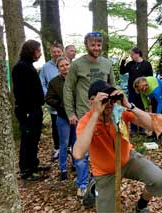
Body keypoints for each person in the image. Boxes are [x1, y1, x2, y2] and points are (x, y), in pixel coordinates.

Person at [73, 80, 162, 213]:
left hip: (128, 159)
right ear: (92, 101)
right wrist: (96, 113)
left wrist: (129, 105)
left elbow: (152, 126)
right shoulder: (86, 121)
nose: (110, 104)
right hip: (105, 172)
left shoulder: (119, 112)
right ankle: (94, 188)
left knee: (158, 179)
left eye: (112, 99)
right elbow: (78, 153)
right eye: (104, 100)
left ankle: (141, 205)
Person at [63, 32, 115, 199]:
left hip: (104, 116)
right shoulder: (77, 65)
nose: (96, 48)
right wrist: (70, 112)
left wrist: (115, 109)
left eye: (99, 44)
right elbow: (68, 88)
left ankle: (98, 181)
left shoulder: (107, 63)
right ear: (86, 45)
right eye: (93, 44)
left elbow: (113, 87)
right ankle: (83, 184)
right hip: (84, 114)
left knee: (102, 150)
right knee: (83, 152)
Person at [12, 40, 50, 181]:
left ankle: (33, 165)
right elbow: (20, 92)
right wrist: (27, 111)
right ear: (31, 50)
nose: (40, 54)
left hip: (35, 109)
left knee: (34, 139)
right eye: (38, 51)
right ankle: (26, 171)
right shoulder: (21, 67)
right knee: (28, 140)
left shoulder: (29, 66)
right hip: (27, 111)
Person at [45, 56, 76, 181]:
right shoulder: (54, 82)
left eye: (67, 65)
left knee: (76, 142)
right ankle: (63, 169)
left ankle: (75, 164)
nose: (65, 67)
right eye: (61, 66)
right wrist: (60, 105)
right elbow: (48, 98)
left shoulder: (76, 79)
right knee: (64, 144)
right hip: (63, 117)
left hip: (76, 116)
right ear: (58, 68)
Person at [120, 47, 153, 135]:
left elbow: (150, 78)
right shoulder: (130, 64)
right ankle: (133, 129)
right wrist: (123, 60)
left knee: (141, 108)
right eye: (131, 55)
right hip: (132, 90)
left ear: (138, 54)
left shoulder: (147, 64)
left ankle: (142, 128)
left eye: (133, 54)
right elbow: (122, 71)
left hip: (142, 91)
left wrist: (148, 92)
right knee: (132, 108)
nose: (132, 56)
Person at [39, 43, 64, 160]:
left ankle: (69, 147)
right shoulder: (45, 67)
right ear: (50, 53)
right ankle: (57, 147)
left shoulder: (67, 64)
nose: (56, 54)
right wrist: (47, 95)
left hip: (66, 102)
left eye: (58, 51)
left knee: (69, 125)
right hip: (53, 102)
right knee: (55, 125)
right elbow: (42, 83)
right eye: (54, 52)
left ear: (62, 51)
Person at [133, 76, 162, 141]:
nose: (143, 90)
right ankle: (154, 133)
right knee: (153, 115)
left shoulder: (155, 88)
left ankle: (159, 136)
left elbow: (161, 102)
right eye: (141, 89)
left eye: (144, 87)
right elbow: (143, 98)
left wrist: (157, 114)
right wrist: (146, 108)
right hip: (153, 96)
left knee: (160, 116)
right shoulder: (141, 87)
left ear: (146, 84)